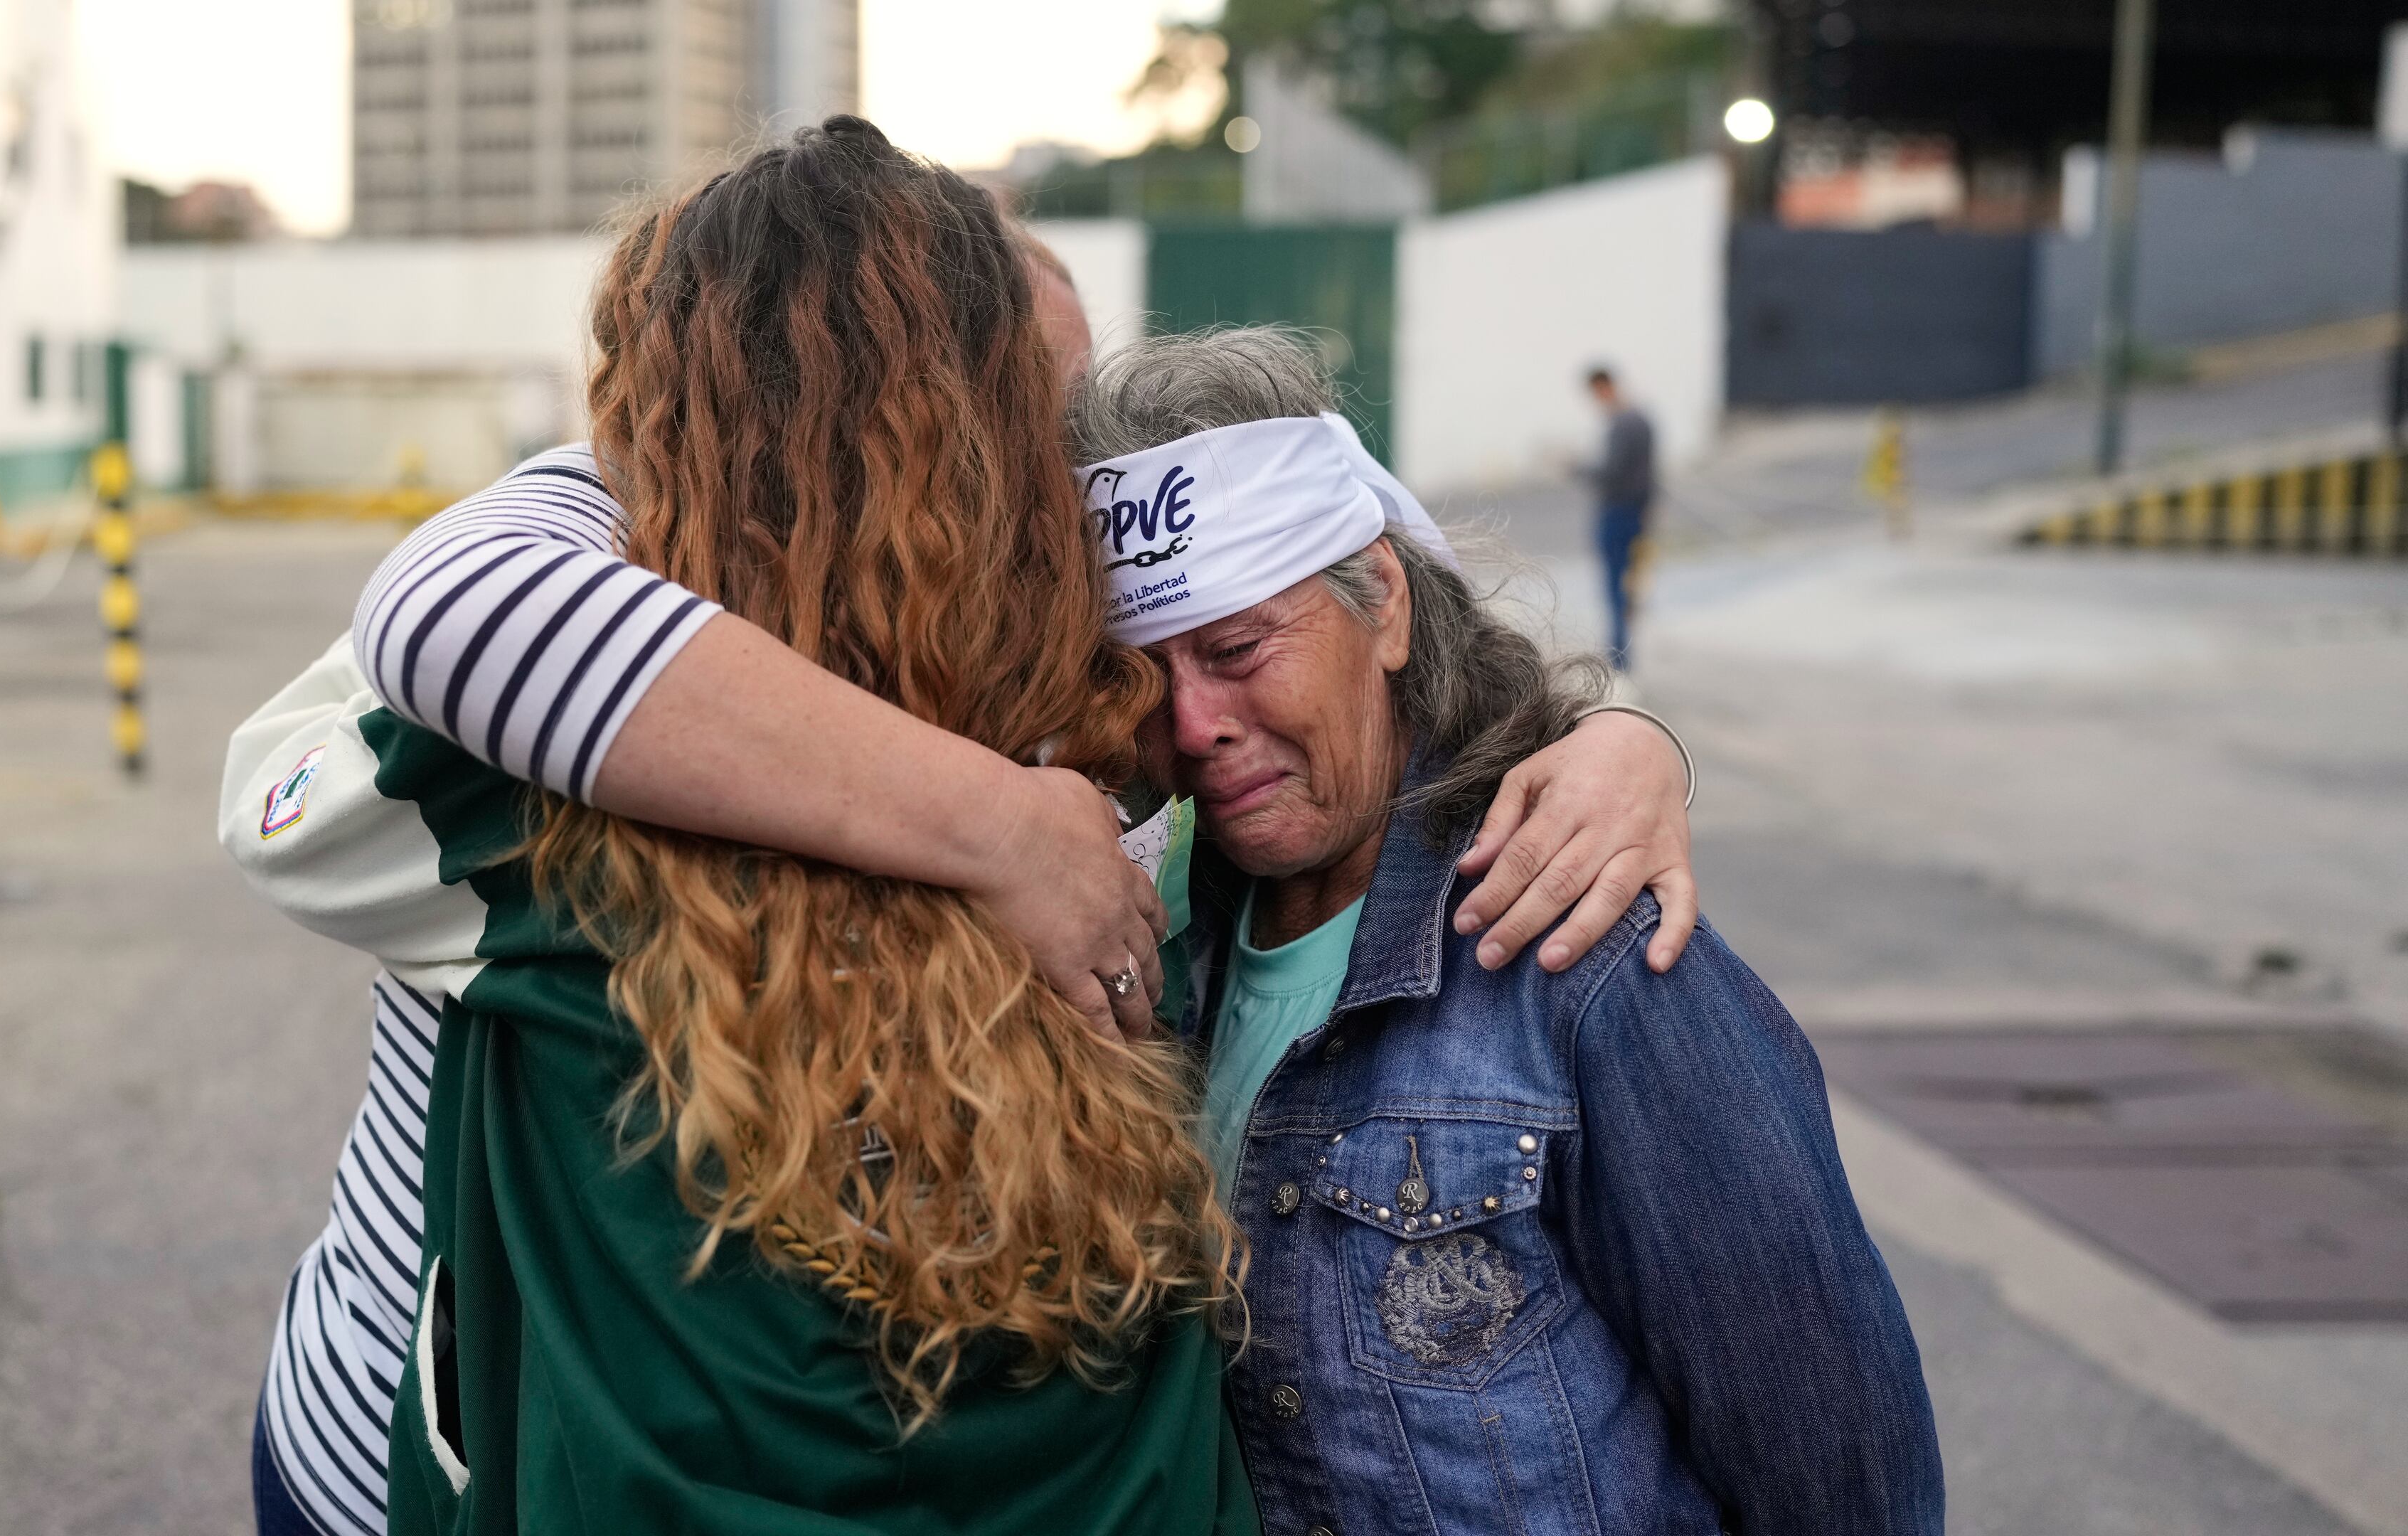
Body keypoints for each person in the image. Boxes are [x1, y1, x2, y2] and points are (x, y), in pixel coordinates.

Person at [222, 128, 1701, 1535]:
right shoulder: (529, 743)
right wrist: (1001, 829)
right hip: (403, 1440)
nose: (1071, 488)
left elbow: (1344, 631)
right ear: (930, 438)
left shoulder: (1071, 699)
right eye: (1035, 419)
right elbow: (444, 612)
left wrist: (1606, 745)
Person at [1072, 328, 1942, 1534]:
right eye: (1145, 677)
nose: (1198, 721)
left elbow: (1844, 1480)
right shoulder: (1155, 955)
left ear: (1382, 604)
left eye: (1236, 650)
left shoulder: (1583, 958)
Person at [1581, 363, 1656, 672]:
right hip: (1636, 513)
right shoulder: (1641, 419)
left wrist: (1573, 466)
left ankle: (1619, 659)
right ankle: (1621, 655)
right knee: (1627, 587)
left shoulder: (1624, 424)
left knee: (1617, 588)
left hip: (1619, 513)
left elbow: (1610, 474)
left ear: (1603, 387)